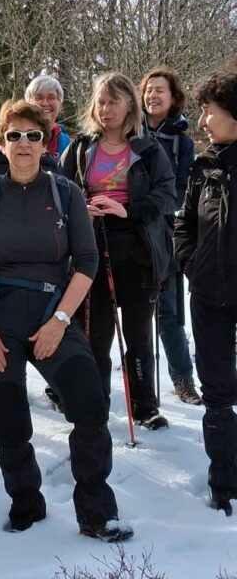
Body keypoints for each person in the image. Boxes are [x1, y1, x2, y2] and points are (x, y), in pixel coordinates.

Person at [0, 98, 132, 541]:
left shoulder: (66, 193)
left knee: (89, 405)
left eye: (33, 135)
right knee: (10, 418)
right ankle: (26, 502)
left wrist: (59, 322)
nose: (24, 144)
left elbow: (87, 262)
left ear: (46, 142)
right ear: (2, 142)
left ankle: (96, 511)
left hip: (53, 313)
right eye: (14, 135)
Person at [61, 72, 176, 430]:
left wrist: (129, 208)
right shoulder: (81, 147)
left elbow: (168, 195)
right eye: (100, 101)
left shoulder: (148, 148)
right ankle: (96, 404)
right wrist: (81, 205)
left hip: (138, 249)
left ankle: (144, 407)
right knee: (96, 336)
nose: (105, 108)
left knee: (139, 335)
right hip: (92, 247)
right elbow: (59, 190)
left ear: (130, 105)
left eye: (113, 101)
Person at [174, 62, 237, 516]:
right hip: (209, 298)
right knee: (216, 394)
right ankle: (224, 484)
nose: (202, 122)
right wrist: (191, 265)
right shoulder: (203, 168)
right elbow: (183, 225)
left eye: (209, 111)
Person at [140, 66, 200, 405]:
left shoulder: (182, 142)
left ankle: (183, 379)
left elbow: (181, 192)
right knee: (128, 315)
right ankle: (136, 382)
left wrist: (150, 202)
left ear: (173, 97)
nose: (152, 95)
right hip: (127, 231)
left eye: (160, 90)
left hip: (164, 232)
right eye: (148, 89)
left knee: (170, 312)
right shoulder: (129, 132)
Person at [25, 74, 71, 158]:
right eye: (39, 98)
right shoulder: (15, 138)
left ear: (60, 105)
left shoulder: (68, 144)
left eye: (51, 97)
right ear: (28, 104)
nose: (45, 103)